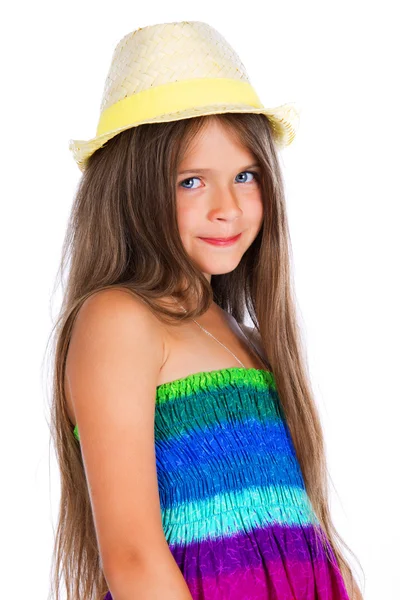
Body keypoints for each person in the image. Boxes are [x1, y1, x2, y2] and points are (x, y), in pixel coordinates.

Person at [49, 20, 364, 600]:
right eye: (192, 181)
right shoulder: (119, 322)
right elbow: (135, 558)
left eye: (245, 175)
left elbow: (308, 542)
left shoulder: (248, 339)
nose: (228, 207)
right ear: (129, 189)